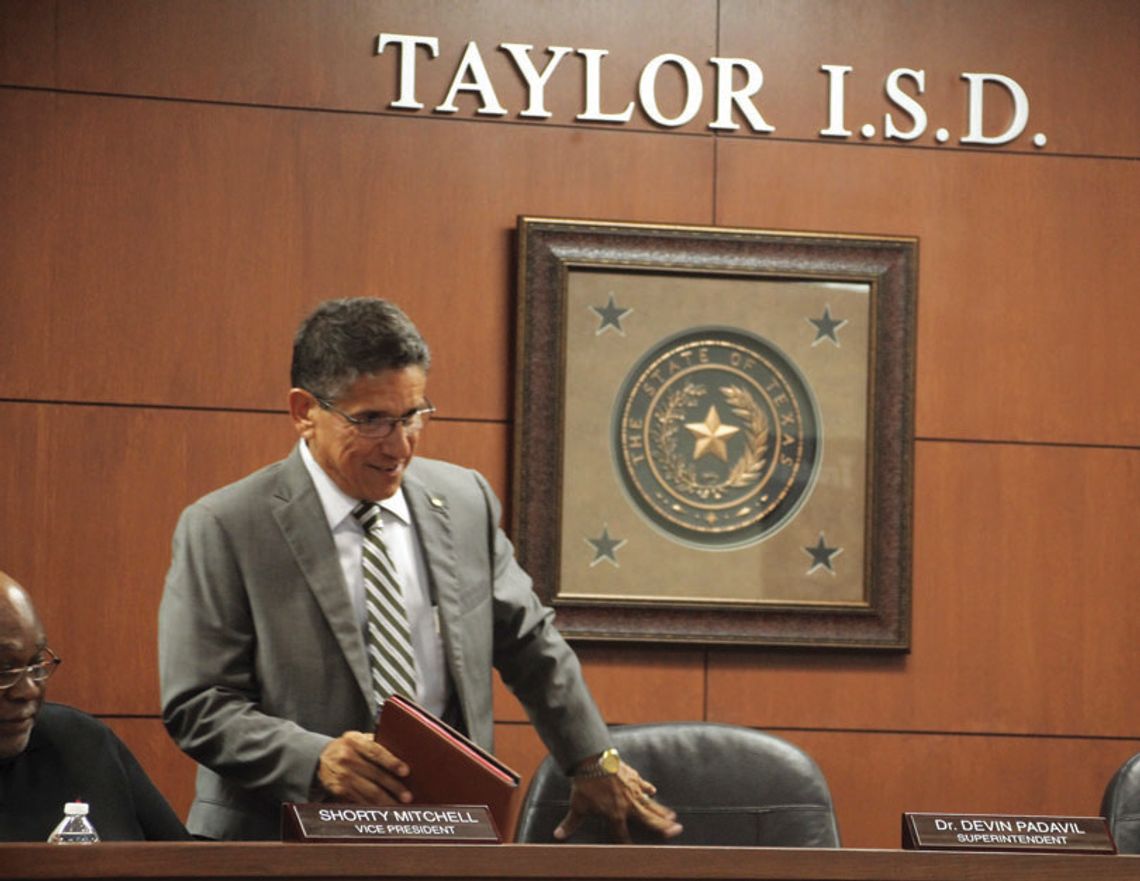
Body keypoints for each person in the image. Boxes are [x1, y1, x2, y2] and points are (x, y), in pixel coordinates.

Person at [159, 297, 682, 842]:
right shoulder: (225, 526)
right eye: (372, 421)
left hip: (443, 835)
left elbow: (530, 643)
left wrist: (590, 759)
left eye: (412, 415)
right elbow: (199, 703)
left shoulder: (464, 500)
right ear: (303, 412)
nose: (400, 444)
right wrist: (313, 759)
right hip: (277, 843)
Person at [0, 570, 190, 842]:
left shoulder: (81, 743)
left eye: (35, 663)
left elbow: (182, 863)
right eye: (4, 670)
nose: (28, 689)